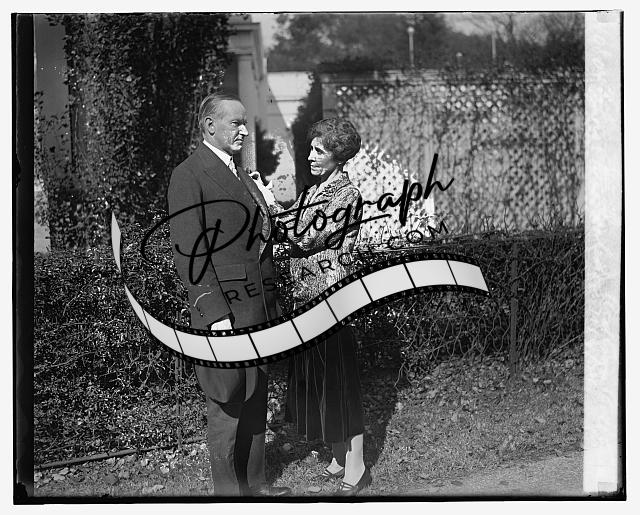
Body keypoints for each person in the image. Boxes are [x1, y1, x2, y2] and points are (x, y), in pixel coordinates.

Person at [167, 92, 290, 497]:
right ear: (209, 126)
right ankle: (228, 496)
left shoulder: (242, 174)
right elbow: (190, 252)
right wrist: (215, 313)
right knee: (228, 405)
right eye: (235, 123)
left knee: (255, 399)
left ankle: (255, 488)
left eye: (244, 122)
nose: (244, 131)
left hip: (258, 308)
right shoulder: (189, 174)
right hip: (225, 313)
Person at [256, 118, 371, 496]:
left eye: (319, 151)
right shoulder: (315, 191)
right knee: (319, 383)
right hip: (307, 302)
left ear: (339, 156)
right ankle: (338, 454)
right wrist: (268, 201)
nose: (310, 156)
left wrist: (271, 206)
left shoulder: (347, 196)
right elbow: (289, 227)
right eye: (311, 149)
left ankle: (357, 464)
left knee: (339, 384)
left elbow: (306, 236)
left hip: (332, 303)